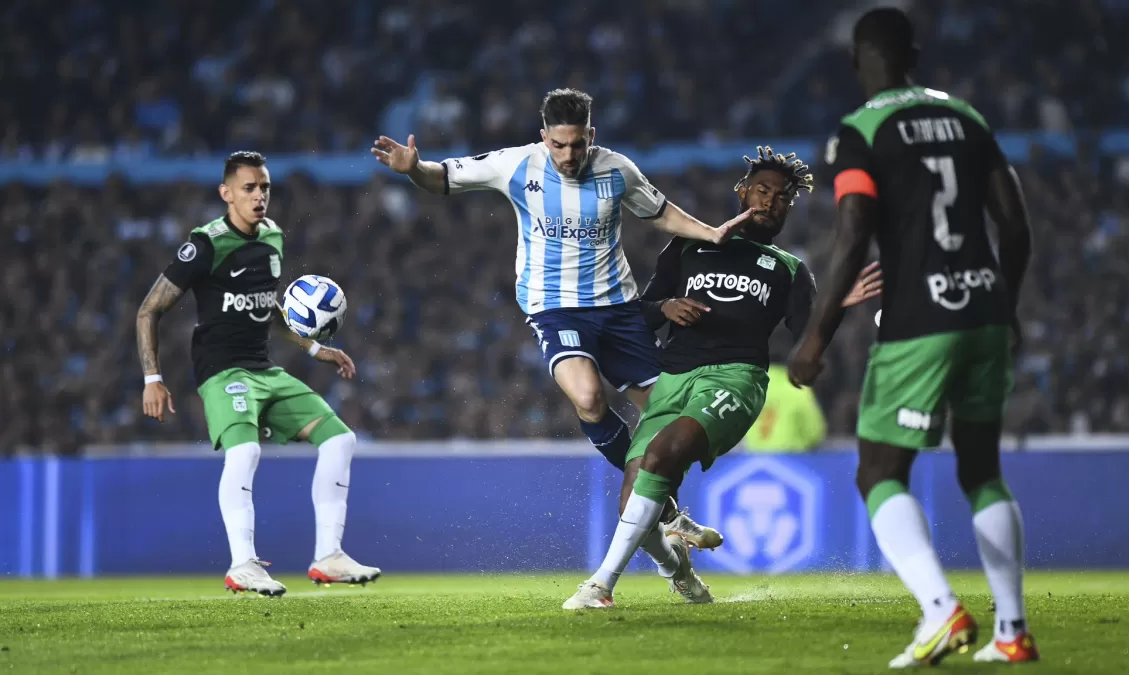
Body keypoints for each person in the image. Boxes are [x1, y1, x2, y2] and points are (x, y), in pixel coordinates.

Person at [372, 88, 750, 547]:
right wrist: (414, 169)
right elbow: (443, 177)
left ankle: (663, 514)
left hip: (619, 309)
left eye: (577, 144)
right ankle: (668, 514)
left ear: (591, 135)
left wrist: (710, 233)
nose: (568, 155)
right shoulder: (516, 164)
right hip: (555, 307)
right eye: (558, 144)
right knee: (589, 398)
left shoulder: (617, 170)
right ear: (543, 137)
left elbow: (660, 212)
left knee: (669, 423)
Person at [786, 7, 1037, 667]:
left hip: (918, 319)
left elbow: (853, 229)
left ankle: (939, 608)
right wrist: (1004, 305)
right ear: (914, 55)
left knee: (878, 470)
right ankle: (1013, 631)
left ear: (855, 60)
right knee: (983, 469)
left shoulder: (862, 129)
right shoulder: (968, 118)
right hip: (985, 308)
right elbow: (1014, 225)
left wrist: (818, 332)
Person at [563, 146, 881, 609]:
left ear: (790, 208)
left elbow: (808, 338)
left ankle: (601, 586)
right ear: (742, 192)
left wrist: (833, 306)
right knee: (634, 495)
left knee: (662, 454)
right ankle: (682, 575)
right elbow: (639, 315)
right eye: (763, 190)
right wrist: (665, 307)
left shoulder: (791, 270)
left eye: (783, 197)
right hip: (671, 377)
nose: (771, 201)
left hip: (735, 379)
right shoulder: (688, 246)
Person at [137, 151, 380, 596]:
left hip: (264, 369)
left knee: (341, 439)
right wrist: (153, 378)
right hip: (222, 370)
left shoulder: (272, 237)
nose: (259, 196)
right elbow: (149, 309)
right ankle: (242, 565)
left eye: (264, 187)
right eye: (249, 188)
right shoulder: (206, 244)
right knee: (245, 454)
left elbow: (267, 308)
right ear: (226, 193)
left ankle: (329, 556)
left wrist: (313, 347)